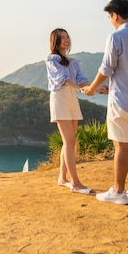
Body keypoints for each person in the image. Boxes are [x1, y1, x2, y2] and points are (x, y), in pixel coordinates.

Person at [81, 0, 128, 205]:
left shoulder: (116, 37)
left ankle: (119, 192)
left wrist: (92, 89)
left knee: (120, 146)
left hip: (121, 101)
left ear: (115, 15)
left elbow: (106, 69)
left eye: (110, 17)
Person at [45, 28, 94, 195]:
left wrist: (93, 88)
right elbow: (64, 80)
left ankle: (62, 178)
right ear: (55, 41)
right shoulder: (52, 60)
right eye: (61, 38)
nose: (66, 40)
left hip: (73, 99)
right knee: (69, 141)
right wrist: (82, 90)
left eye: (67, 37)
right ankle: (75, 183)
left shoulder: (73, 61)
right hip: (60, 99)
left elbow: (81, 80)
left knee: (69, 142)